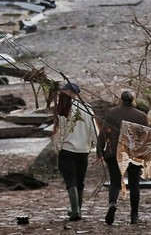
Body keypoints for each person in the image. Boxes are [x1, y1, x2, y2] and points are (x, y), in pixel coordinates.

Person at [97, 89, 149, 225]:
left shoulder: (111, 113)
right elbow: (146, 138)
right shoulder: (142, 116)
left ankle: (112, 203)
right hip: (134, 154)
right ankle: (134, 215)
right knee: (134, 184)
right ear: (133, 100)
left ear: (121, 100)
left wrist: (100, 150)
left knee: (115, 182)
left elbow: (104, 133)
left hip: (113, 153)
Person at [53, 82, 96, 221]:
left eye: (65, 91)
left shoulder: (64, 109)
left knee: (71, 180)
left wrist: (57, 148)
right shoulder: (88, 108)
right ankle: (78, 210)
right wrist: (95, 147)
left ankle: (75, 210)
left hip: (67, 149)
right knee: (80, 181)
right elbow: (93, 130)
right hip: (83, 150)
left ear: (70, 93)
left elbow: (60, 132)